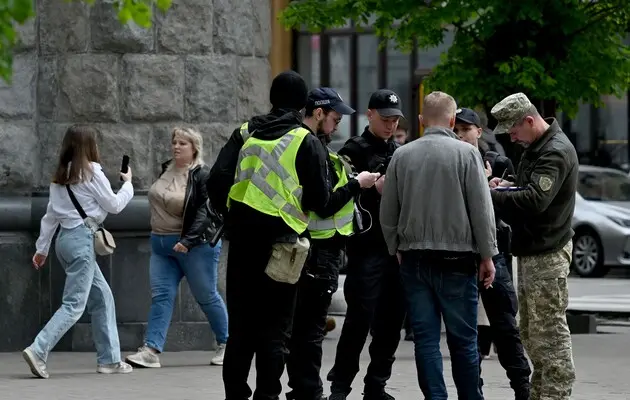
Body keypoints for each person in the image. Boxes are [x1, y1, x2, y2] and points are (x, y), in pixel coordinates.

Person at [209, 70, 332, 400]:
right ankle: (267, 394)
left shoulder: (246, 133)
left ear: (272, 98)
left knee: (241, 330)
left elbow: (216, 180)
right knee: (275, 331)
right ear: (303, 105)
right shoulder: (305, 140)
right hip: (284, 249)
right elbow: (320, 201)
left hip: (243, 245)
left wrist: (233, 213)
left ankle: (236, 394)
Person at [380, 91, 497, 400]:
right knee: (463, 341)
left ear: (420, 121)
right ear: (453, 120)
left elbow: (388, 211)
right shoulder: (467, 154)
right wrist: (487, 255)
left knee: (427, 340)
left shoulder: (402, 155)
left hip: (415, 259)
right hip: (458, 259)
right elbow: (481, 210)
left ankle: (435, 397)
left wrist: (396, 248)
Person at [286, 87, 380, 400]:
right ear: (318, 113)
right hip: (318, 250)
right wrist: (358, 184)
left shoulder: (311, 142)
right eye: (335, 116)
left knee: (302, 328)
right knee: (310, 330)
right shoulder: (310, 144)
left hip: (313, 248)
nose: (338, 122)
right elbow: (323, 204)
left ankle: (302, 388)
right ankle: (309, 392)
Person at [24, 124, 135, 378]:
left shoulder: (61, 175)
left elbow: (50, 216)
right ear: (90, 146)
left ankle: (109, 360)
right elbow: (115, 205)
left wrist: (42, 248)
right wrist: (128, 184)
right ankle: (38, 350)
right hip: (83, 241)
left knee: (102, 297)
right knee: (74, 305)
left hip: (64, 241)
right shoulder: (92, 172)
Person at [489, 92, 579, 400]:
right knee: (531, 332)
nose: (511, 137)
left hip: (548, 252)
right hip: (533, 250)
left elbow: (535, 200)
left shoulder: (554, 151)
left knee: (549, 335)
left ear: (529, 120)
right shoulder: (537, 146)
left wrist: (491, 196)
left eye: (513, 130)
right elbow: (528, 186)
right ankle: (541, 394)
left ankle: (555, 394)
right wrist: (508, 184)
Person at [125, 127, 228, 368]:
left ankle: (227, 343)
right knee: (161, 296)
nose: (176, 146)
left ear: (194, 148)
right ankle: (151, 350)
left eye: (183, 143)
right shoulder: (166, 169)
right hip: (161, 246)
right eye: (174, 142)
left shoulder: (202, 175)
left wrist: (188, 240)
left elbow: (206, 212)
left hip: (194, 247)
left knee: (206, 295)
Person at [327, 89, 406, 400]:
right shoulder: (353, 150)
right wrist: (369, 188)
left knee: (391, 322)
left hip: (396, 249)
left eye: (395, 119)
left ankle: (377, 384)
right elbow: (341, 195)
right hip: (366, 248)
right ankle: (340, 386)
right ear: (370, 114)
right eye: (385, 118)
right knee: (359, 320)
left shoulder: (402, 151)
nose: (390, 125)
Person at [454, 107, 532, 400]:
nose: (461, 136)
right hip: (460, 250)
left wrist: (488, 186)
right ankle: (473, 390)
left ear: (479, 131)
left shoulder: (497, 162)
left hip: (494, 249)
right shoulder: (450, 161)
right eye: (456, 130)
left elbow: (514, 206)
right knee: (465, 329)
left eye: (466, 130)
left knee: (504, 324)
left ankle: (522, 386)